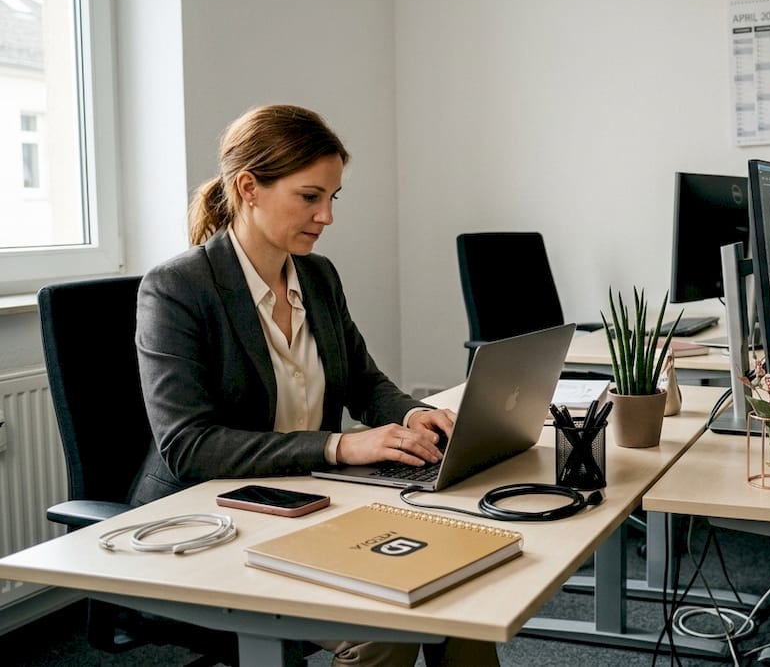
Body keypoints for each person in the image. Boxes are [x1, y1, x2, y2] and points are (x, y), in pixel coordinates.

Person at [132, 103, 497, 667]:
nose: (326, 216)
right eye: (310, 197)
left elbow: (364, 381)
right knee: (387, 621)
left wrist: (410, 414)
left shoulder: (318, 276)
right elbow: (189, 446)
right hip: (207, 521)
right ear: (249, 187)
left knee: (455, 582)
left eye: (332, 198)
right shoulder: (179, 288)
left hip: (306, 501)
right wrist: (340, 445)